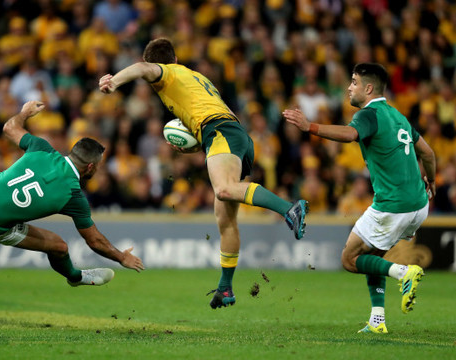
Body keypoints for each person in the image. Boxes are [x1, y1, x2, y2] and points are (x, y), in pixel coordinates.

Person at [98, 38, 309, 309]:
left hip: (219, 131)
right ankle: (225, 289)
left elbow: (141, 68)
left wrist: (113, 81)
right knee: (225, 218)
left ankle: (289, 208)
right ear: (175, 59)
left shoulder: (167, 73)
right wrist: (196, 145)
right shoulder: (195, 77)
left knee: (223, 189)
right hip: (233, 135)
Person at [283, 63, 436, 334]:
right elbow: (428, 153)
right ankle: (377, 321)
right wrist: (431, 181)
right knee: (373, 255)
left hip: (392, 206)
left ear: (368, 88)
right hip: (419, 206)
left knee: (349, 259)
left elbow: (350, 134)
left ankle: (404, 273)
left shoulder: (370, 114)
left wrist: (310, 127)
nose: (348, 88)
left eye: (353, 82)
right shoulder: (398, 116)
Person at [0, 101, 144, 287]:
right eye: (98, 166)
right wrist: (121, 257)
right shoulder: (74, 196)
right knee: (59, 247)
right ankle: (76, 278)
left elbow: (9, 127)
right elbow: (94, 241)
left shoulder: (42, 147)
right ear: (90, 167)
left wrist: (25, 113)